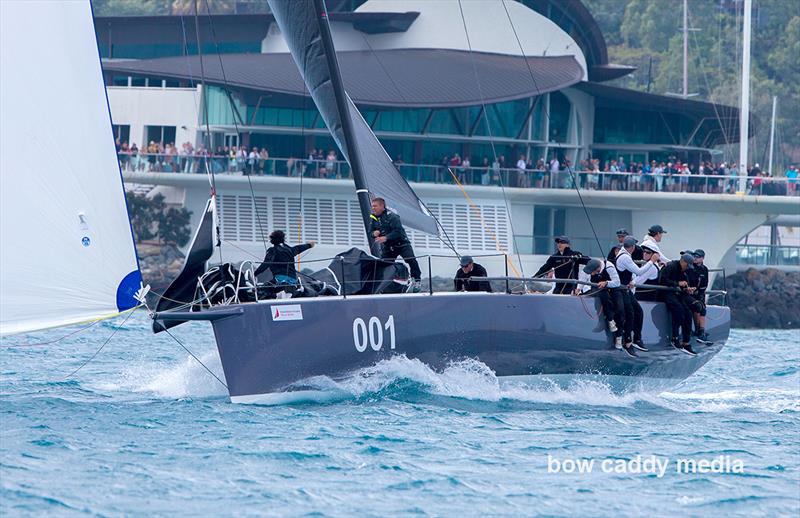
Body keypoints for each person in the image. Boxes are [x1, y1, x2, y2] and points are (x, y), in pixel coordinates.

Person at [578, 258, 632, 355]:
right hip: (599, 289)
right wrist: (578, 289)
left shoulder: (609, 266)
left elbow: (617, 282)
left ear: (598, 269)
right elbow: (583, 277)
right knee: (603, 298)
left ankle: (619, 336)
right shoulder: (591, 266)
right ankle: (609, 320)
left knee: (620, 310)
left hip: (613, 287)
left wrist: (606, 283)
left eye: (593, 272)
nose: (591, 274)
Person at [615, 236, 660, 351]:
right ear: (633, 247)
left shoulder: (624, 254)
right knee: (630, 314)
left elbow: (634, 274)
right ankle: (629, 341)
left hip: (626, 289)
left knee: (637, 312)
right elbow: (639, 271)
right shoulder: (625, 257)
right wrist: (652, 261)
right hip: (622, 290)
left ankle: (636, 339)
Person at [369, 197, 422, 287]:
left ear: (382, 206)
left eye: (375, 206)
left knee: (411, 260)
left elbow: (398, 232)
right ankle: (382, 284)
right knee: (384, 265)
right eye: (372, 206)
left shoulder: (392, 216)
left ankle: (416, 281)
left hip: (402, 244)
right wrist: (374, 234)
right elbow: (370, 232)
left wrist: (386, 238)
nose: (373, 208)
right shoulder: (373, 218)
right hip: (388, 248)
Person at [658, 253, 697, 355]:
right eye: (687, 265)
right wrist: (677, 283)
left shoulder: (683, 271)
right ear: (683, 261)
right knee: (678, 310)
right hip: (665, 293)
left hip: (675, 293)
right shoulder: (671, 266)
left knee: (688, 313)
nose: (687, 268)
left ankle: (686, 342)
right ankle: (674, 338)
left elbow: (684, 284)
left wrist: (687, 289)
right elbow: (662, 280)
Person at [686, 249, 713, 345]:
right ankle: (698, 330)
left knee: (703, 310)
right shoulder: (690, 267)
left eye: (697, 257)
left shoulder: (704, 269)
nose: (695, 258)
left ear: (702, 258)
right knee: (696, 308)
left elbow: (705, 283)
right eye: (694, 256)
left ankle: (701, 331)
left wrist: (699, 291)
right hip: (689, 292)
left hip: (699, 292)